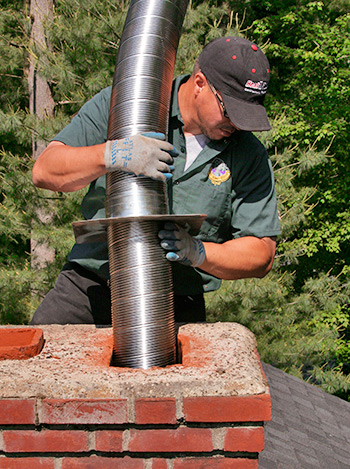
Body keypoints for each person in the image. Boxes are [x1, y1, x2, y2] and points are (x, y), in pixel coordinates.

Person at [30, 36, 281, 325]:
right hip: (92, 286)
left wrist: (198, 251)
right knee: (33, 361)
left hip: (177, 302)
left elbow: (262, 253)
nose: (237, 124)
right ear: (200, 84)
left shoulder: (248, 153)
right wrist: (112, 153)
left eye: (247, 115)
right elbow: (45, 171)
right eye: (230, 111)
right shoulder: (123, 104)